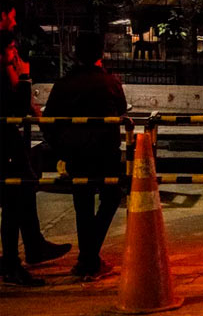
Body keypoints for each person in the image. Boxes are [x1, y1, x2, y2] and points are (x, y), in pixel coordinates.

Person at [43, 32, 126, 280]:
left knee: (83, 204)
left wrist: (61, 148)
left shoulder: (64, 84)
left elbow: (49, 121)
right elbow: (121, 109)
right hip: (105, 152)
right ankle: (88, 257)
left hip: (76, 153)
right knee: (111, 196)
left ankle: (88, 258)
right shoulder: (110, 82)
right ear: (100, 53)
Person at [1, 19, 70, 286]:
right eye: (11, 49)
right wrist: (24, 77)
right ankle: (12, 264)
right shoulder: (4, 75)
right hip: (6, 145)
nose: (15, 54)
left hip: (11, 144)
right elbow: (16, 107)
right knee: (14, 200)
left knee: (23, 190)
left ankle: (31, 246)